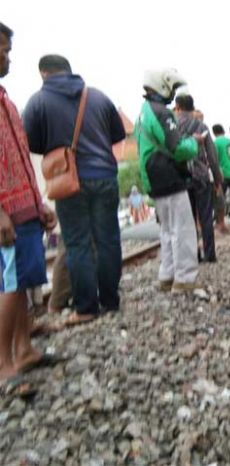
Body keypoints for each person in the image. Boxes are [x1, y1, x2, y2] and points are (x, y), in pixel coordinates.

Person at [23, 54, 125, 324]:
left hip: (68, 180)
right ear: (69, 70)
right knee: (108, 240)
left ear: (44, 73)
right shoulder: (99, 97)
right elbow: (117, 135)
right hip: (104, 175)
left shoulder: (37, 101)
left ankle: (86, 308)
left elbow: (31, 143)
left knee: (78, 243)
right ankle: (111, 301)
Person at [0, 22, 59, 382]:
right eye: (2, 49)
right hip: (6, 212)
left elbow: (19, 158)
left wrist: (38, 205)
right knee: (8, 284)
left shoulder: (6, 100)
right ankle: (3, 363)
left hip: (23, 209)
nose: (7, 57)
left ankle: (23, 349)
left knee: (22, 281)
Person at [137, 68, 201, 292]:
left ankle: (167, 275)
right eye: (172, 88)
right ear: (162, 85)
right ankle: (184, 278)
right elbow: (178, 147)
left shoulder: (144, 112)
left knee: (167, 230)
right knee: (182, 229)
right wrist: (194, 144)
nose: (173, 93)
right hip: (170, 176)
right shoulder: (162, 113)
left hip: (154, 178)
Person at [174, 94, 223, 263]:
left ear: (178, 107)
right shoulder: (201, 126)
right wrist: (217, 179)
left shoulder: (173, 127)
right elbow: (212, 156)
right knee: (206, 217)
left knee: (188, 220)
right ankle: (210, 255)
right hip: (201, 176)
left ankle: (193, 255)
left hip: (181, 178)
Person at [212, 124, 230, 234]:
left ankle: (219, 222)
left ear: (214, 132)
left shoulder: (215, 143)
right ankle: (222, 222)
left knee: (219, 199)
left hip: (223, 174)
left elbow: (214, 159)